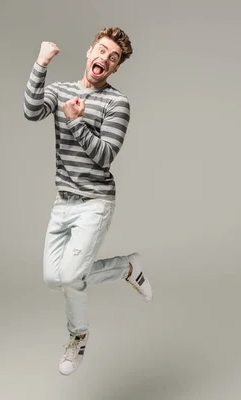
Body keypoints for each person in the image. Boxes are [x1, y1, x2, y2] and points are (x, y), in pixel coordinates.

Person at [22, 27, 153, 376]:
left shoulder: (117, 103)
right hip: (63, 202)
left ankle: (77, 337)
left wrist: (77, 123)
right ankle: (127, 268)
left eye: (113, 58)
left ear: (116, 68)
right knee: (56, 278)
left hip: (95, 202)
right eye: (102, 51)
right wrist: (41, 63)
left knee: (70, 276)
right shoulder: (62, 90)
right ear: (89, 51)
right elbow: (31, 111)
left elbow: (105, 156)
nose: (105, 59)